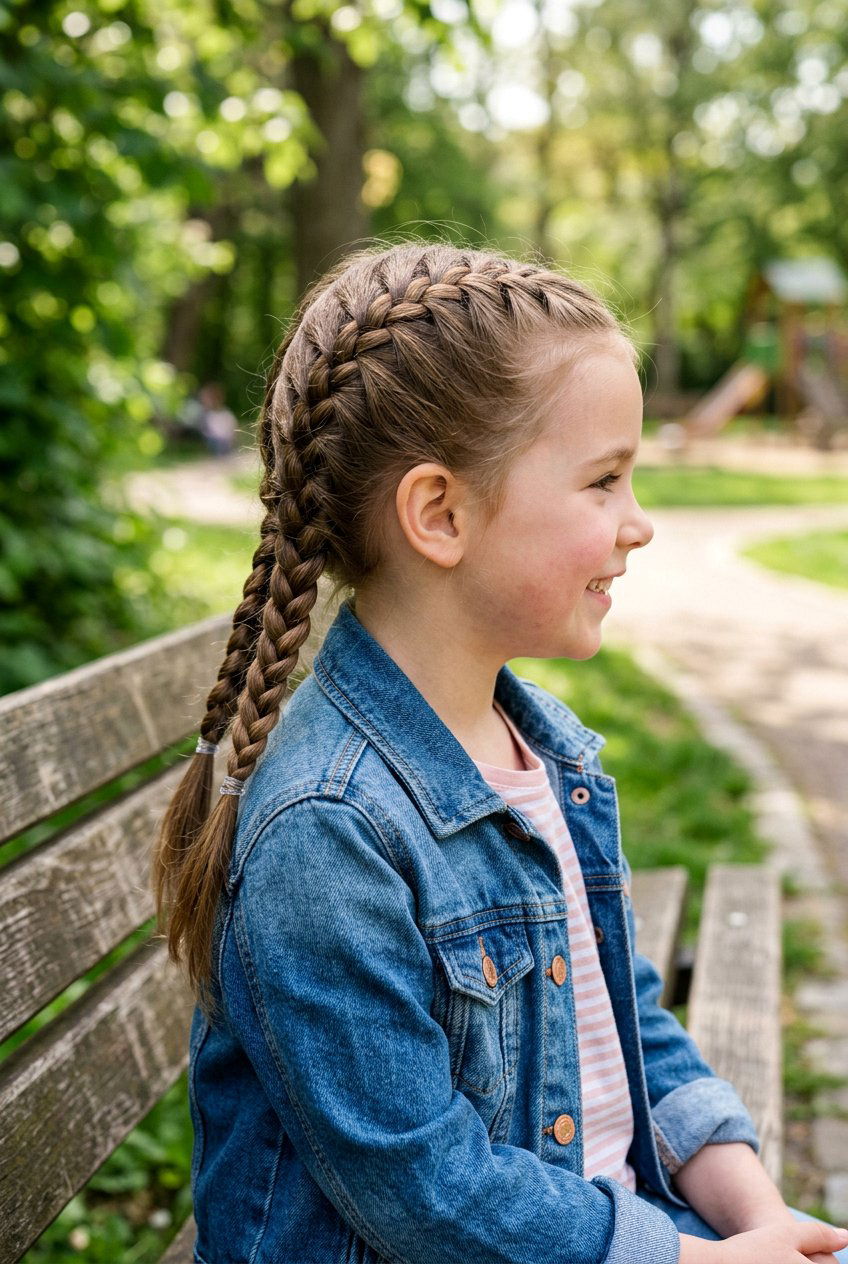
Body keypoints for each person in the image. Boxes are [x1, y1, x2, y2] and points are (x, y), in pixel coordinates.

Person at [151, 240, 848, 1264]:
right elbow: (425, 1192)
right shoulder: (327, 829)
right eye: (602, 481)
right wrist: (695, 1257)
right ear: (440, 514)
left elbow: (625, 1017)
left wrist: (753, 1211)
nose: (639, 523)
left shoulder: (538, 748)